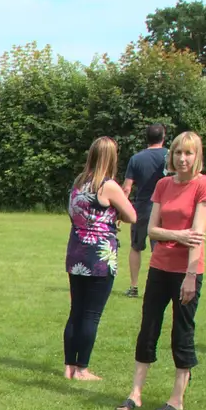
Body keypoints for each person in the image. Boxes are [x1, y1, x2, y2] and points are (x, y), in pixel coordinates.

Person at [116, 131, 206, 410]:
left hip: (187, 270)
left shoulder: (205, 186)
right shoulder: (162, 185)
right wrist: (178, 234)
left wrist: (190, 275)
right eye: (178, 153)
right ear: (170, 155)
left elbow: (198, 236)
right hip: (159, 266)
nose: (183, 159)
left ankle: (176, 398)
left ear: (197, 156)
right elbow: (151, 230)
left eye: (189, 153)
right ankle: (135, 393)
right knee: (148, 327)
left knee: (182, 331)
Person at [62, 137, 135, 381]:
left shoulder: (78, 182)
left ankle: (69, 366)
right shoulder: (109, 185)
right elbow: (132, 216)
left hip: (76, 253)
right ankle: (83, 369)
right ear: (112, 158)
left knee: (76, 311)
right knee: (91, 314)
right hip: (99, 257)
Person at [121, 124, 168, 299]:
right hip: (164, 208)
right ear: (163, 137)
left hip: (141, 208)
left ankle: (134, 287)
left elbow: (126, 188)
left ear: (146, 138)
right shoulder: (170, 155)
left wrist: (121, 210)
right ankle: (160, 287)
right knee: (160, 249)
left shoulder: (136, 158)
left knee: (136, 247)